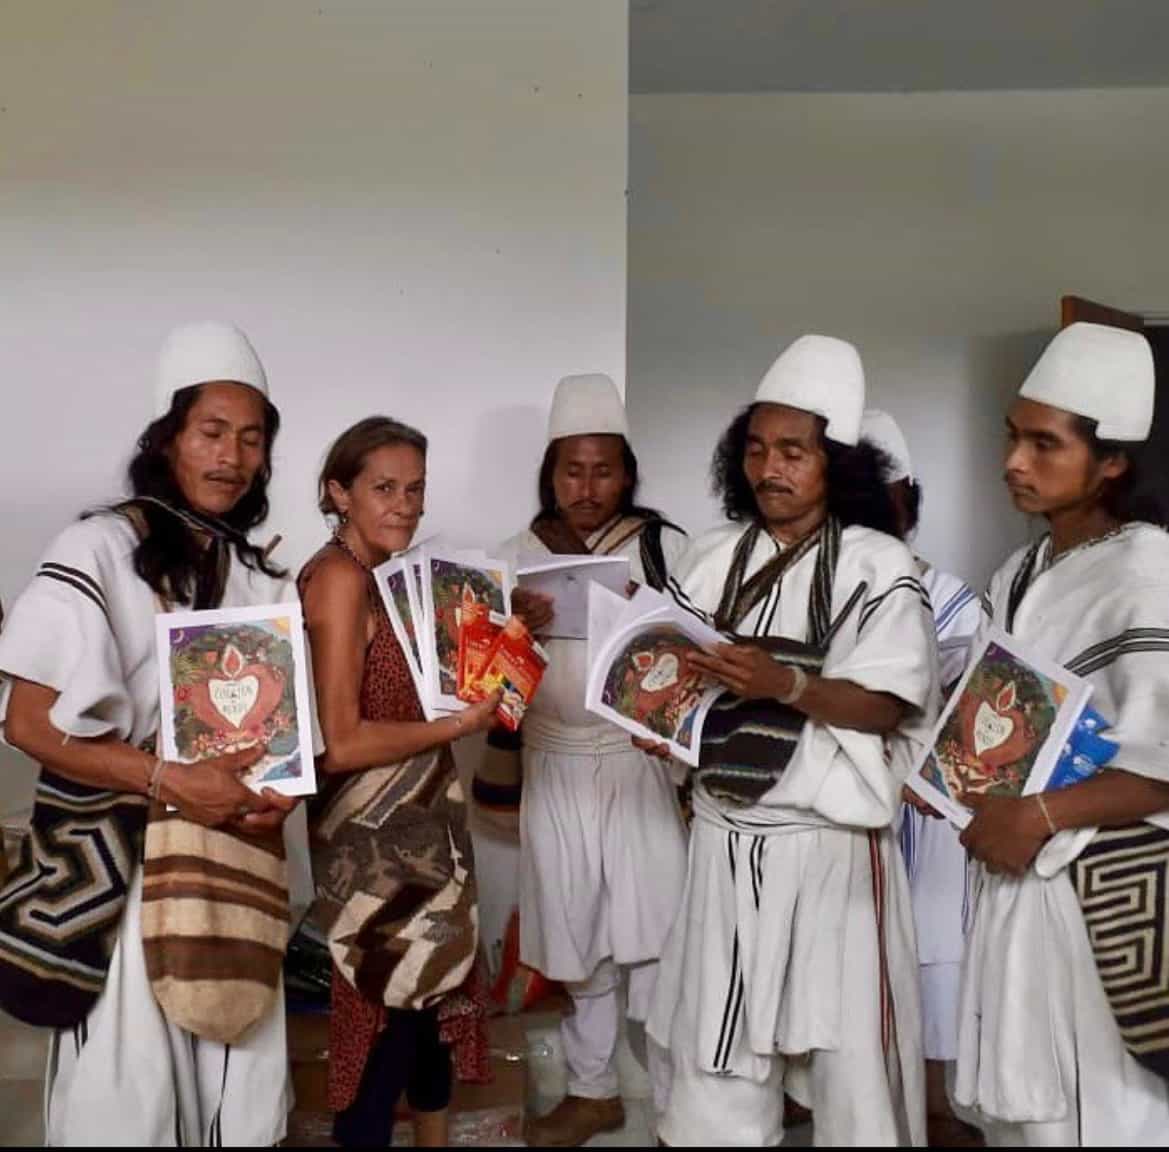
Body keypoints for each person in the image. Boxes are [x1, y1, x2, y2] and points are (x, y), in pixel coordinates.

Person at [0, 321, 298, 1145]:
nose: (232, 457)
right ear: (167, 438)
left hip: (231, 865)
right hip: (122, 870)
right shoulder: (97, 547)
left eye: (251, 439)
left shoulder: (257, 572)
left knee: (237, 1085)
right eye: (211, 432)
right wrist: (169, 781)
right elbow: (28, 723)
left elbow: (276, 734)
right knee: (128, 1095)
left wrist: (279, 795)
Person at [647, 334, 940, 1146]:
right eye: (754, 449)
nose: (768, 469)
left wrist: (787, 685)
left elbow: (889, 706)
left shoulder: (879, 565)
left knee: (855, 1077)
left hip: (829, 848)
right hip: (721, 839)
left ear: (834, 465)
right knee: (716, 1064)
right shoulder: (708, 557)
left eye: (791, 452)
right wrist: (659, 725)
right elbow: (670, 677)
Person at [954, 321, 1169, 1144]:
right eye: (1012, 436)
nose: (1014, 461)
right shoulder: (1018, 570)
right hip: (1016, 877)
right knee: (1028, 1116)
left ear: (1111, 460)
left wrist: (1037, 815)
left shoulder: (1146, 573)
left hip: (1102, 892)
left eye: (1044, 444)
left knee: (1104, 1112)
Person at [497, 373, 689, 1146]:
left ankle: (681, 1106)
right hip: (552, 763)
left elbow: (700, 655)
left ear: (626, 473)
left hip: (636, 763)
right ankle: (592, 1090)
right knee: (574, 936)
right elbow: (488, 690)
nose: (586, 487)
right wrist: (512, 631)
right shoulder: (513, 557)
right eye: (570, 471)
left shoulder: (664, 547)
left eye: (602, 470)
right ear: (549, 474)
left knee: (657, 937)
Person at [298, 416, 500, 1148]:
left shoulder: (385, 574)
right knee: (388, 1015)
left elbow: (416, 691)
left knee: (426, 1010)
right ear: (338, 493)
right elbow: (340, 743)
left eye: (415, 489)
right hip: (374, 846)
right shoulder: (340, 579)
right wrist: (456, 727)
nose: (405, 506)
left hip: (420, 829)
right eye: (384, 489)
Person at [861, 407, 987, 1147]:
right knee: (848, 949)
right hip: (849, 798)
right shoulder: (828, 585)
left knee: (933, 952)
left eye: (888, 500)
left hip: (930, 802)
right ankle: (826, 1092)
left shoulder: (952, 596)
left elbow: (979, 701)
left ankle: (935, 1104)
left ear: (909, 501)